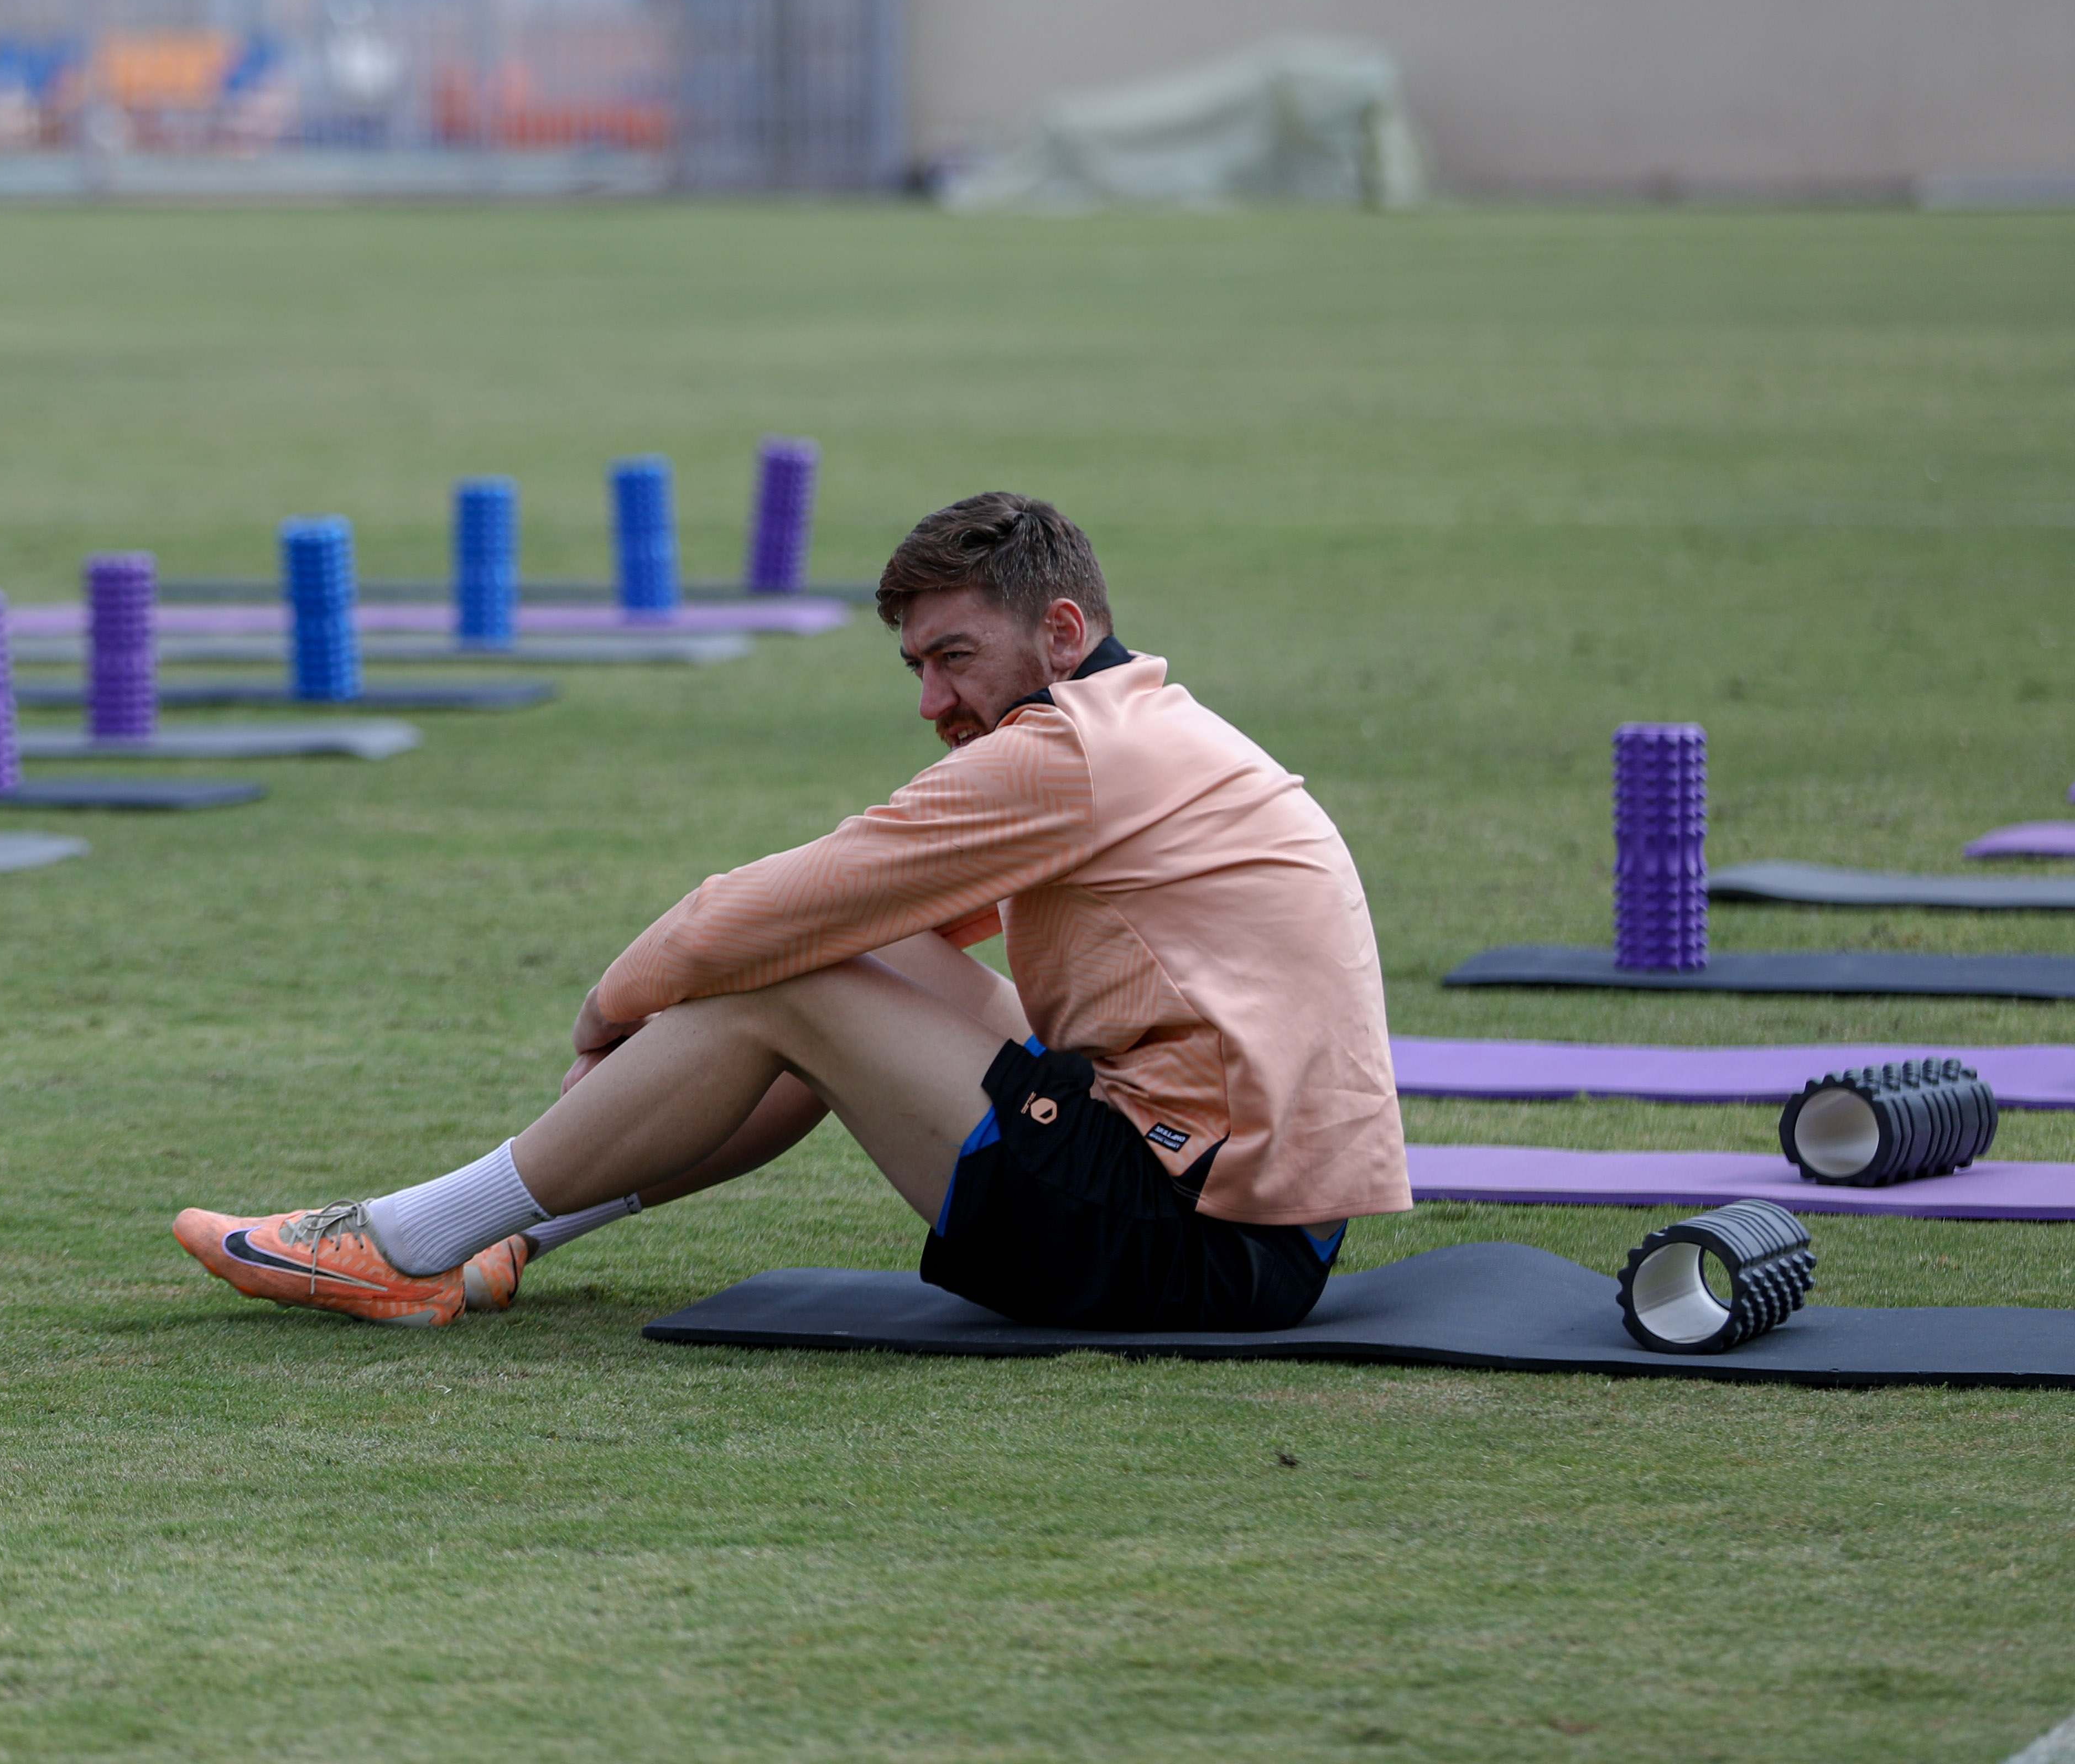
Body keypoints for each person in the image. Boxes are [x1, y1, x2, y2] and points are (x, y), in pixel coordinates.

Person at [171, 491, 1410, 1332]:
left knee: (785, 971)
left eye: (956, 656)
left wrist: (607, 1014)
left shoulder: (1073, 754)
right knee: (835, 958)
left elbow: (739, 918)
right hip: (1243, 1221)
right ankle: (512, 1237)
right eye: (916, 665)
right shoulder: (1138, 730)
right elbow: (868, 918)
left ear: (1063, 630)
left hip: (1191, 1245)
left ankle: (408, 1241)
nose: (933, 699)